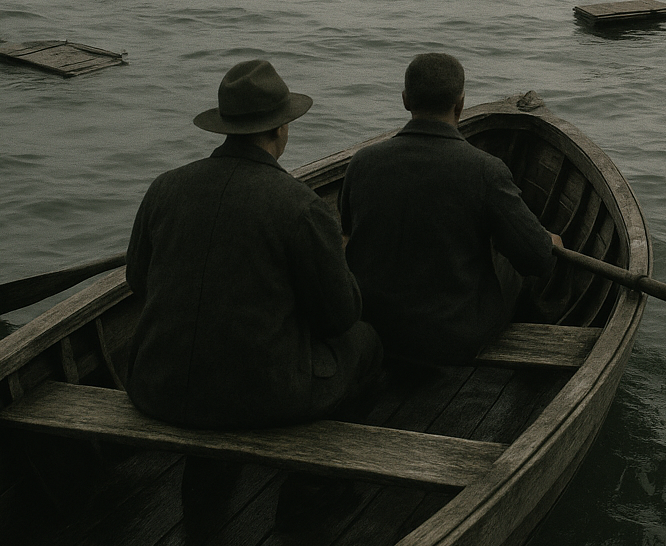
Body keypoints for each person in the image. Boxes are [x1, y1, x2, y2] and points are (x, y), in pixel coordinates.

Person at [125, 59, 382, 429]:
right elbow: (338, 317)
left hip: (155, 386)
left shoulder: (164, 187)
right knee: (365, 341)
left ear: (225, 126)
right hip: (260, 400)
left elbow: (138, 281)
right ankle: (325, 465)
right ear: (280, 127)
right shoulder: (302, 206)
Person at [339, 53, 562, 364]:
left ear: (405, 100)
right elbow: (537, 261)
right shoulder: (485, 170)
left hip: (374, 328)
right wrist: (548, 243)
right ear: (460, 103)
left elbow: (348, 238)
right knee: (527, 255)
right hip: (452, 337)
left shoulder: (362, 162)